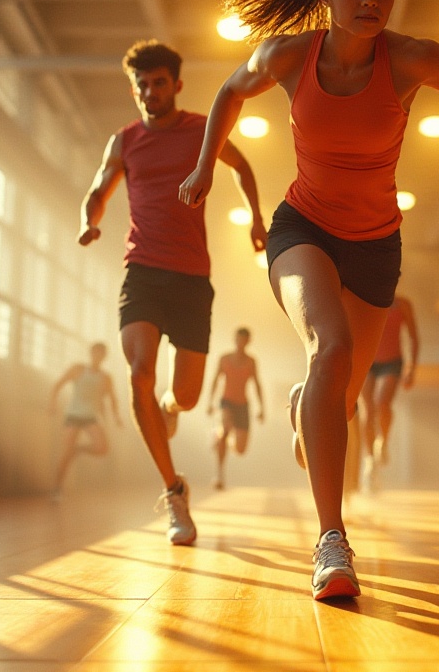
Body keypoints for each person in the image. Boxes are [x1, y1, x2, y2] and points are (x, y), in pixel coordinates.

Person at [180, 0, 439, 599]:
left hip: (378, 245)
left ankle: (311, 407)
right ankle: (332, 543)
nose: (371, 0)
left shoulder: (413, 59)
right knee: (331, 349)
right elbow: (230, 93)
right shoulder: (289, 57)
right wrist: (205, 168)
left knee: (340, 400)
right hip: (304, 229)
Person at [79, 40, 266, 546]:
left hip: (190, 279)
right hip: (142, 271)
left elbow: (243, 167)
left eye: (158, 82)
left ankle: (170, 406)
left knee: (183, 395)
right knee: (138, 372)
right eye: (141, 84)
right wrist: (88, 221)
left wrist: (256, 221)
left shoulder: (200, 128)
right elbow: (99, 188)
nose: (149, 91)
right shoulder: (124, 141)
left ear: (176, 85)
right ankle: (174, 491)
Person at [358, 293, 418, 492]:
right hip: (368, 360)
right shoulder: (366, 298)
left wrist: (411, 368)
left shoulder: (403, 304)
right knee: (367, 410)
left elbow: (413, 336)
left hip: (392, 362)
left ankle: (382, 439)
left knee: (382, 403)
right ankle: (369, 461)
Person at [47, 341, 123, 498]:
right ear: (91, 353)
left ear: (104, 357)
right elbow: (58, 385)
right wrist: (52, 404)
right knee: (66, 453)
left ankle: (78, 449)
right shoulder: (78, 369)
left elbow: (111, 399)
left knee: (102, 448)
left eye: (101, 354)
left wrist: (115, 417)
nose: (97, 356)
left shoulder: (106, 378)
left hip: (90, 417)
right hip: (73, 415)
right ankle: (56, 488)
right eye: (95, 352)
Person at [205, 327, 266, 490]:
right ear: (235, 340)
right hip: (226, 402)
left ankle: (222, 437)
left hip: (243, 405)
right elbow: (215, 380)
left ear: (248, 342)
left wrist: (262, 408)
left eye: (244, 341)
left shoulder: (251, 362)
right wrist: (209, 402)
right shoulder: (224, 358)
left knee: (240, 449)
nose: (241, 343)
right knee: (224, 429)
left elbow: (257, 384)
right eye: (238, 340)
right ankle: (219, 474)